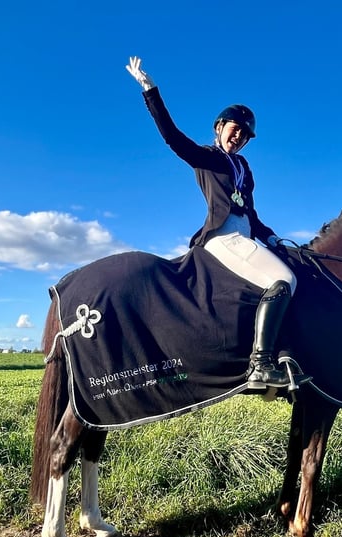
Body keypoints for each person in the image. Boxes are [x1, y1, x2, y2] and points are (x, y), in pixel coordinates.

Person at [125, 56, 303, 389]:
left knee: (290, 269)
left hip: (247, 236)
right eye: (235, 130)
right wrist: (150, 91)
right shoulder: (206, 157)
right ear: (220, 127)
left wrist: (274, 238)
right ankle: (260, 366)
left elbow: (250, 212)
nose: (239, 137)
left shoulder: (244, 168)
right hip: (223, 238)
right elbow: (173, 138)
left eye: (245, 135)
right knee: (283, 279)